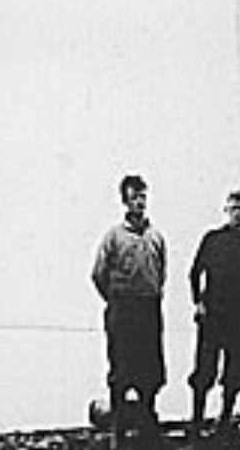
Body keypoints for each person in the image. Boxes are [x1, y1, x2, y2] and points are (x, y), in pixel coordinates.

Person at [91, 174, 167, 446]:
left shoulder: (156, 236)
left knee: (151, 369)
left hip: (149, 309)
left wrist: (150, 295)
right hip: (123, 310)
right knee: (121, 369)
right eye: (134, 197)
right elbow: (99, 274)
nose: (140, 202)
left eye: (143, 196)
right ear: (125, 200)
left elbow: (161, 273)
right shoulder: (113, 236)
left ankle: (148, 424)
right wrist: (116, 299)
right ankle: (118, 430)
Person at [187, 190, 240, 438]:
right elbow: (194, 272)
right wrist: (198, 302)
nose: (238, 214)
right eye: (233, 209)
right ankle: (197, 421)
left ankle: (224, 420)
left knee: (235, 371)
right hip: (213, 316)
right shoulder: (212, 239)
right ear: (226, 211)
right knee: (204, 369)